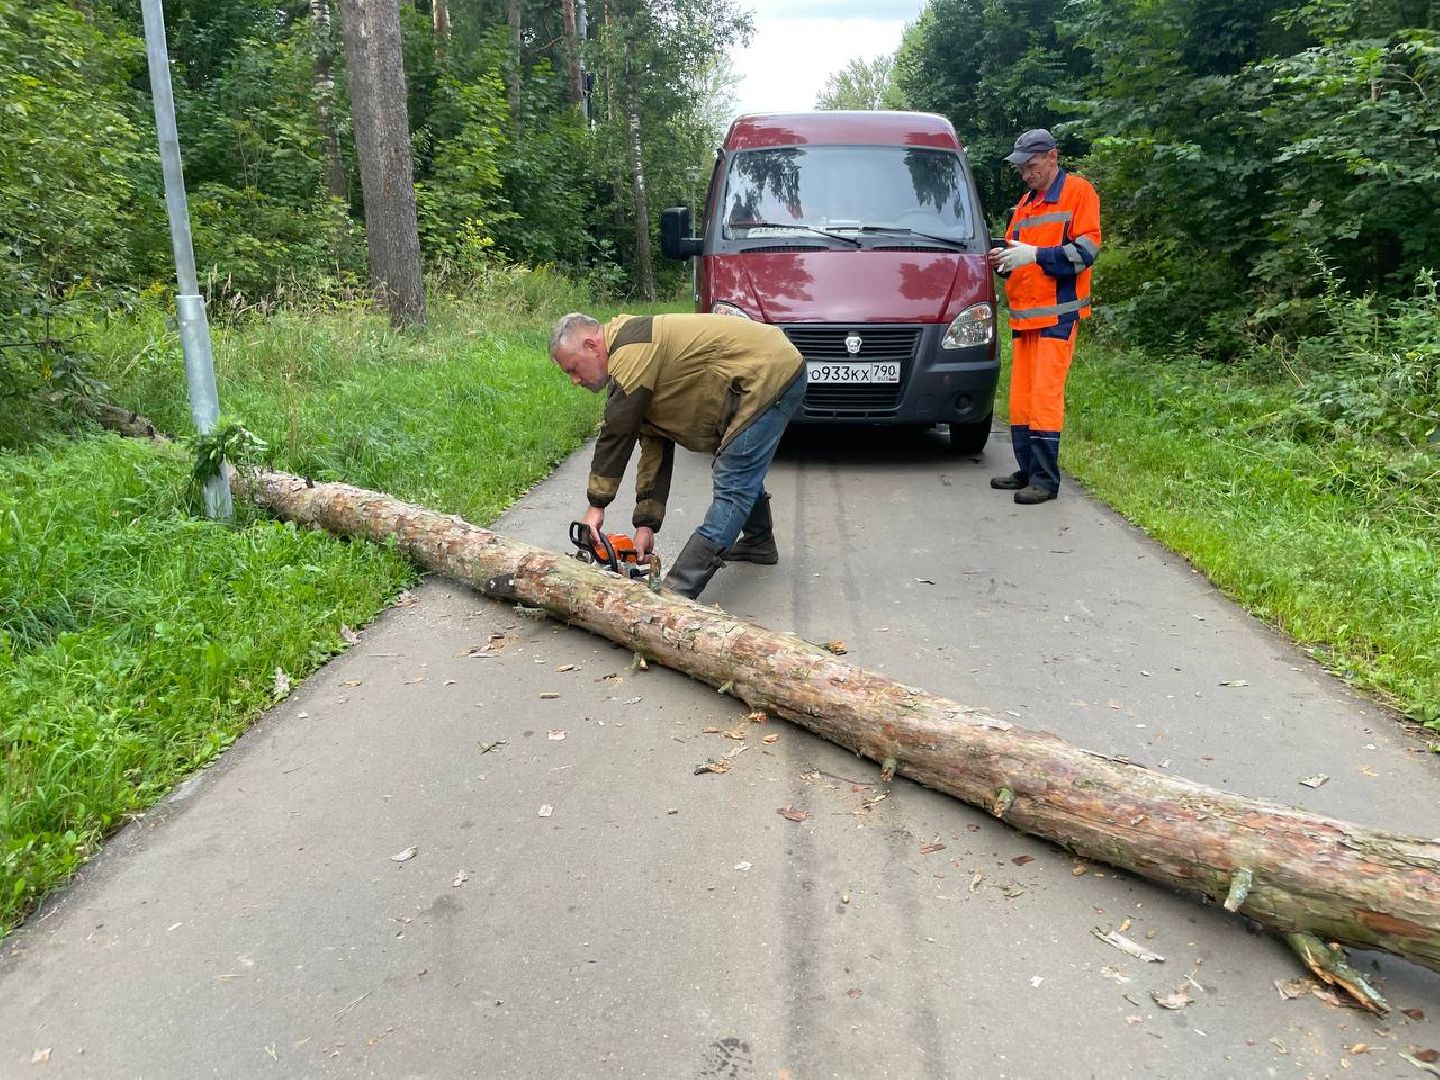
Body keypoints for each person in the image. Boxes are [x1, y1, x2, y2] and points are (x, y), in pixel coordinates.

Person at [549, 311, 806, 599]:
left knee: (734, 482)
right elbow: (655, 443)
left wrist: (596, 505)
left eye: (573, 369)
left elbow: (616, 432)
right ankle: (759, 542)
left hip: (770, 371)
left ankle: (677, 591)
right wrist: (646, 524)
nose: (574, 380)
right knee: (740, 469)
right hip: (758, 371)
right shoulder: (631, 358)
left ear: (591, 345)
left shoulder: (632, 350)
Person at [987, 128, 1102, 504]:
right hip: (1023, 318)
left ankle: (1046, 481)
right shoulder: (1024, 205)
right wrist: (1002, 261)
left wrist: (1034, 255)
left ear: (1053, 157)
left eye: (1031, 167)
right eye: (1021, 169)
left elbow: (1085, 252)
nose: (1025, 175)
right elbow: (1016, 258)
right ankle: (1027, 470)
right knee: (1021, 400)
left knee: (1044, 399)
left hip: (1057, 317)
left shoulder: (1079, 193)